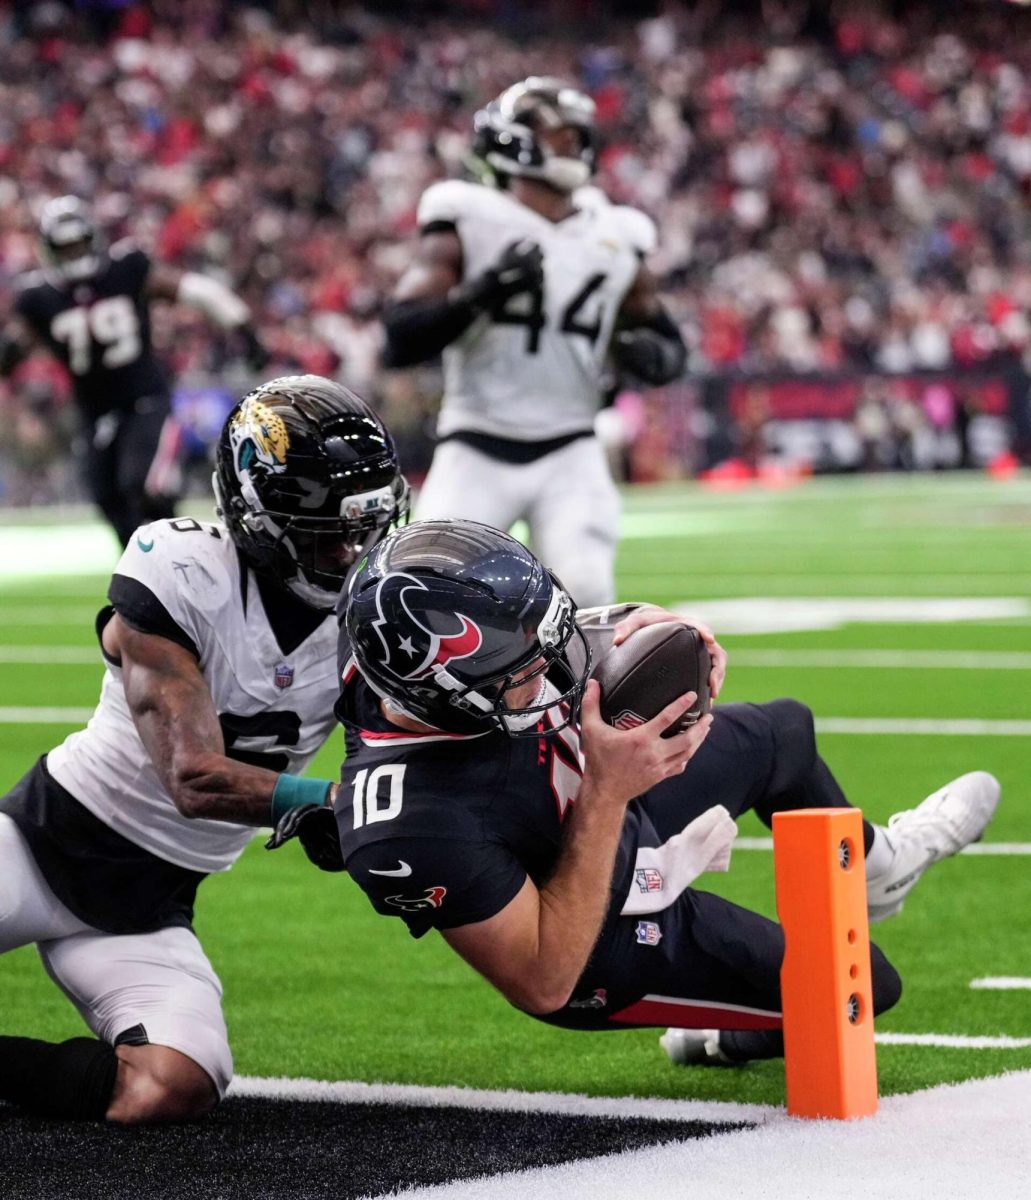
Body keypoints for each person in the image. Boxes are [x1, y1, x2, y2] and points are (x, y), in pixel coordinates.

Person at [270, 519, 999, 1068]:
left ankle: (878, 868)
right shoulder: (405, 829)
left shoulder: (395, 633)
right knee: (862, 986)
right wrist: (611, 793)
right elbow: (543, 977)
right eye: (523, 673)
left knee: (784, 734)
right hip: (595, 934)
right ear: (440, 695)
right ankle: (720, 1036)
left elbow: (538, 640)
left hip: (590, 788)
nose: (550, 673)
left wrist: (646, 630)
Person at [0, 375, 409, 1124]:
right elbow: (192, 776)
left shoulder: (375, 608)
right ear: (257, 516)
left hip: (150, 907)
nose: (352, 550)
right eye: (326, 532)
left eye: (365, 526)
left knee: (175, 1082)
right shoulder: (180, 568)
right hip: (38, 846)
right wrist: (317, 802)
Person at [381, 77, 687, 608]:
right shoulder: (470, 216)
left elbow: (671, 348)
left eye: (577, 134)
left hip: (571, 447)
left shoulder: (613, 232)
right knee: (425, 595)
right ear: (513, 141)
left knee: (587, 592)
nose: (575, 145)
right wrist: (482, 292)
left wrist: (650, 358)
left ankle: (574, 696)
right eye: (559, 134)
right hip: (475, 444)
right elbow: (401, 337)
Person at [0, 195, 268, 548]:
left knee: (144, 486)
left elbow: (195, 291)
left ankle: (187, 554)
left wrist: (242, 328)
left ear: (94, 239)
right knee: (108, 500)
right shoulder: (38, 298)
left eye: (78, 245)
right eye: (64, 249)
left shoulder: (125, 269)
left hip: (145, 401)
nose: (73, 255)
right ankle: (149, 576)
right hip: (94, 413)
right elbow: (15, 346)